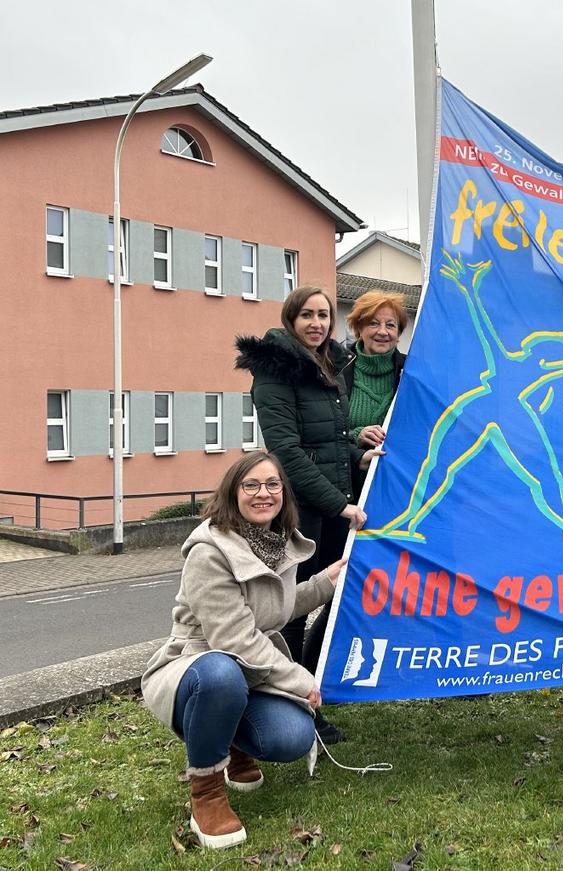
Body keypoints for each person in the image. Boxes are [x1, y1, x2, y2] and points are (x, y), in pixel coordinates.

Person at [141, 452, 346, 849]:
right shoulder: (209, 551)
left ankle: (233, 746)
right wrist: (300, 679)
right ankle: (206, 791)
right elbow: (233, 639)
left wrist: (325, 582)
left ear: (284, 493)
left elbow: (272, 610)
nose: (263, 493)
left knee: (292, 736)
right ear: (232, 493)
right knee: (222, 675)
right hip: (197, 665)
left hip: (250, 670)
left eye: (272, 484)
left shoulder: (277, 543)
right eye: (250, 485)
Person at [235, 286, 380, 741]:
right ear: (291, 320)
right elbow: (287, 452)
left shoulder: (328, 365)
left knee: (334, 598)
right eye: (307, 316)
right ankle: (292, 706)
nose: (317, 324)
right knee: (292, 610)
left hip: (333, 506)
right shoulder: (275, 371)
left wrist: (360, 455)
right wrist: (341, 504)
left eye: (323, 316)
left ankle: (309, 692)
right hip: (300, 512)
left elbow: (331, 443)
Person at [343, 290, 408, 451]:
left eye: (390, 325)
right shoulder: (337, 370)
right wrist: (355, 436)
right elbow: (322, 432)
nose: (383, 332)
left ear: (398, 332)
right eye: (373, 323)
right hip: (352, 466)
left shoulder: (411, 371)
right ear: (359, 328)